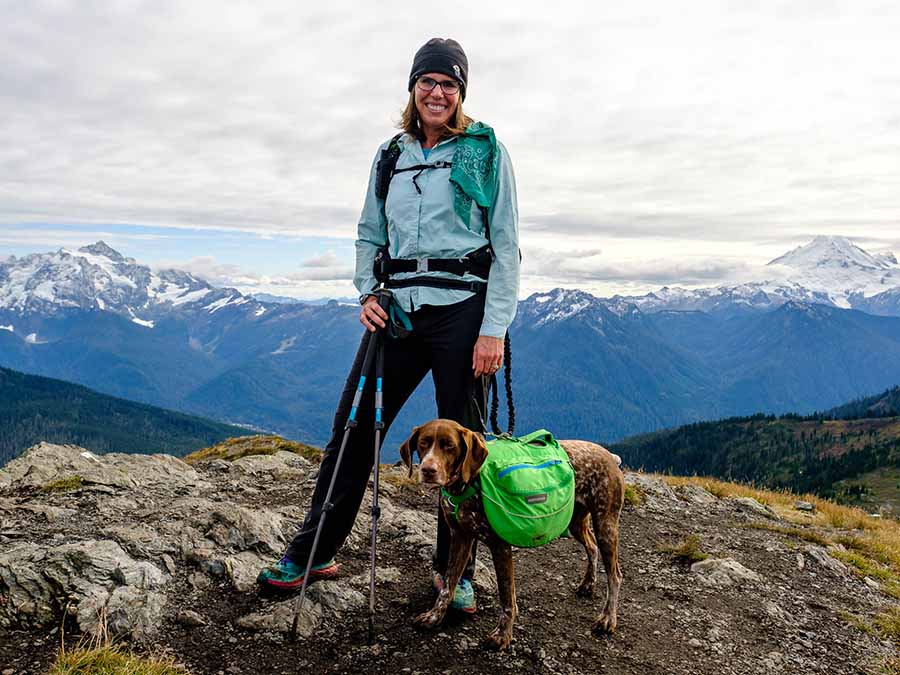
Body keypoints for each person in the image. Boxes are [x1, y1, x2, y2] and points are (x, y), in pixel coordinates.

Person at [258, 37, 520, 613]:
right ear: (413, 88)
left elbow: (506, 246)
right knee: (353, 428)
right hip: (397, 311)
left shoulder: (485, 152)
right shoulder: (390, 156)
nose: (437, 93)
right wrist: (367, 290)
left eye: (449, 84)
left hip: (463, 313)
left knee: (463, 450)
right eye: (428, 82)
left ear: (461, 93)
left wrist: (493, 330)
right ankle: (313, 551)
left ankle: (454, 575)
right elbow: (368, 234)